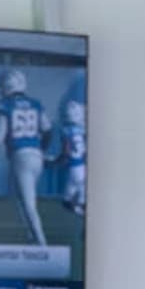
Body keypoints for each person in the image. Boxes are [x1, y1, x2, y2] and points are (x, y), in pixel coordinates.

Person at [0, 66, 50, 246]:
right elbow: (47, 129)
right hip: (36, 155)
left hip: (21, 156)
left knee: (28, 203)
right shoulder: (36, 103)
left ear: (6, 86)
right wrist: (42, 150)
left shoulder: (5, 105)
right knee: (17, 195)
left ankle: (41, 243)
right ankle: (31, 235)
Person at [60, 92, 86, 221]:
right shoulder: (83, 131)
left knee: (69, 202)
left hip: (74, 168)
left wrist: (58, 160)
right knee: (74, 202)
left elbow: (66, 150)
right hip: (82, 167)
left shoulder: (66, 131)